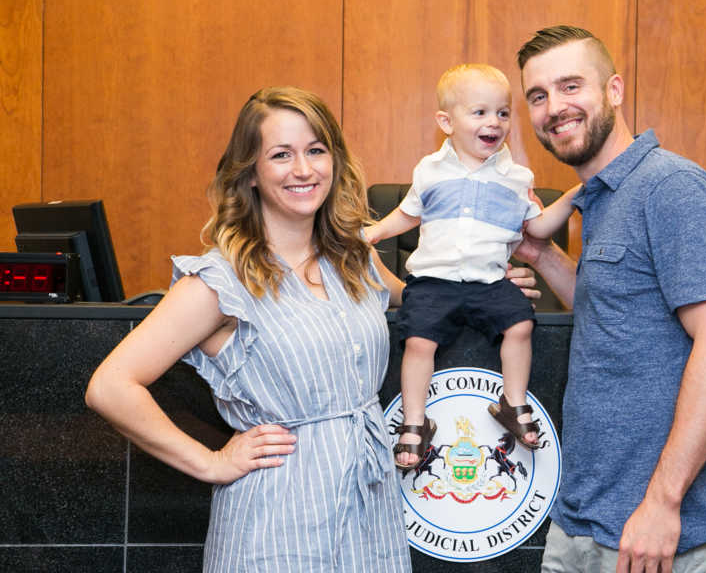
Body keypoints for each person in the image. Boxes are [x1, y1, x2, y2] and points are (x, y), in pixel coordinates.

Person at [85, 87, 418, 571]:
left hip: (370, 516)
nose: (303, 170)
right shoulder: (222, 281)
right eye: (281, 155)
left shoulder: (355, 260)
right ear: (251, 173)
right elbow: (110, 387)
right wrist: (211, 462)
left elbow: (419, 304)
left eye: (315, 150)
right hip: (276, 522)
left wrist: (491, 278)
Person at [514, 26, 706, 573]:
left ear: (615, 90)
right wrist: (543, 255)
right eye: (538, 95)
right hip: (582, 524)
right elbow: (617, 315)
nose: (555, 107)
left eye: (571, 86)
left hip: (661, 539)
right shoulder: (598, 199)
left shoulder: (672, 188)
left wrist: (663, 504)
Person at [364, 63, 579, 469]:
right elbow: (408, 214)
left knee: (520, 324)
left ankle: (513, 405)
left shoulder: (516, 177)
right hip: (434, 280)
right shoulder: (429, 170)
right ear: (446, 121)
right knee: (418, 341)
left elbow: (537, 226)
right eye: (479, 113)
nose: (494, 122)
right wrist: (375, 233)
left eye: (502, 113)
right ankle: (414, 422)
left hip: (489, 281)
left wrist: (578, 193)